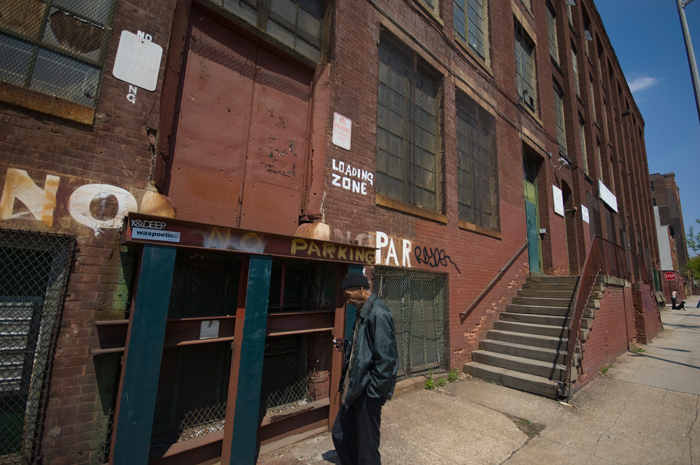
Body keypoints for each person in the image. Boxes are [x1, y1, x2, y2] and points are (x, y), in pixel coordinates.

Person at [331, 271, 398, 465]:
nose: (347, 301)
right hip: (355, 388)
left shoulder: (379, 313)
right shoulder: (364, 311)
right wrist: (347, 344)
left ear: (361, 289)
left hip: (368, 392)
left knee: (368, 450)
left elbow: (387, 359)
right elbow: (366, 346)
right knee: (340, 435)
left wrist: (373, 392)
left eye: (348, 296)